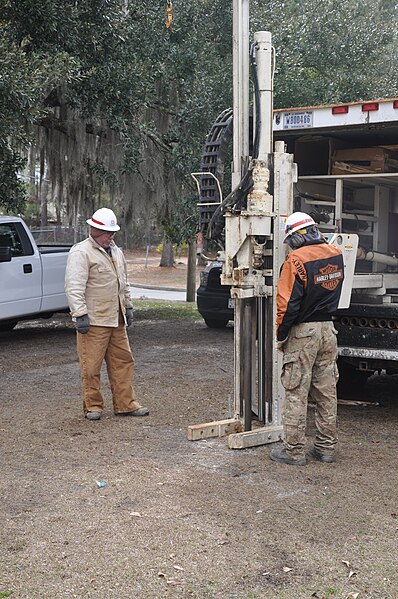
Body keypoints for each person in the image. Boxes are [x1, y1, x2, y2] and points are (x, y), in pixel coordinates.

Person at [270, 212, 344, 465]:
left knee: (295, 392)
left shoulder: (296, 260)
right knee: (326, 391)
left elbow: (287, 304)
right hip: (328, 330)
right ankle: (325, 448)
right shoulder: (335, 253)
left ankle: (293, 451)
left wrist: (280, 335)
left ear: (298, 236)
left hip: (304, 332)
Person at [65, 207, 149, 421]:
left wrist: (128, 306)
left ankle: (126, 404)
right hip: (94, 320)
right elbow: (74, 286)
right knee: (91, 365)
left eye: (112, 232)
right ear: (92, 229)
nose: (109, 236)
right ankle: (93, 406)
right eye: (105, 231)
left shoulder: (116, 251)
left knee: (123, 362)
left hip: (116, 318)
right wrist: (80, 314)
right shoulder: (81, 252)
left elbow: (124, 283)